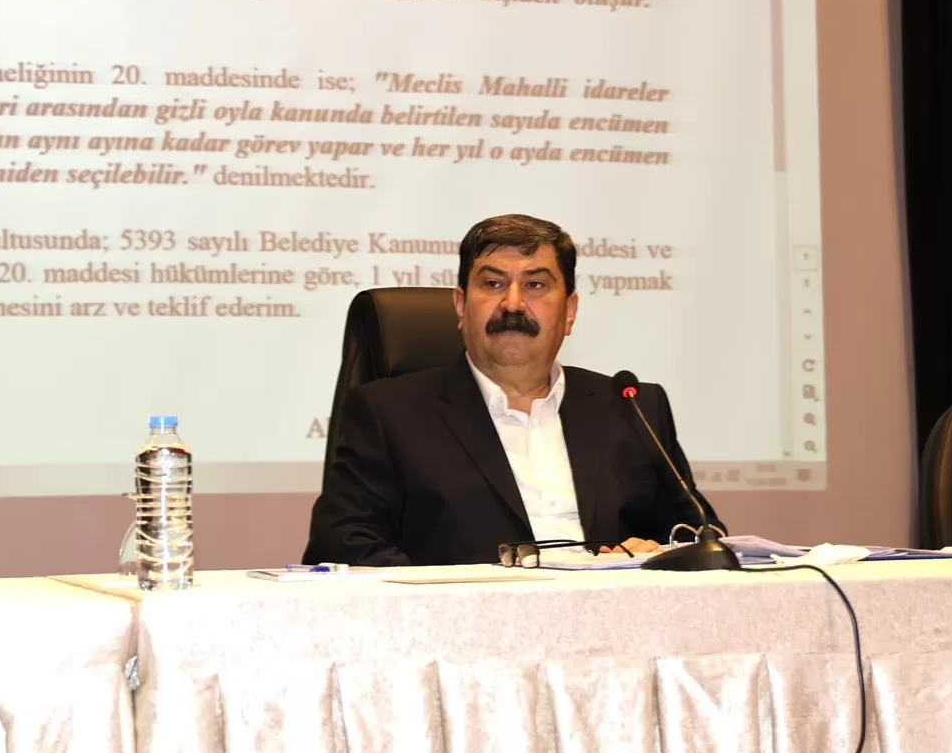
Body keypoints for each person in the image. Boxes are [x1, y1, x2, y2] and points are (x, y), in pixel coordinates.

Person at [304, 213, 715, 566]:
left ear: (570, 311)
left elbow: (703, 538)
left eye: (535, 285)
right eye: (493, 284)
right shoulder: (389, 413)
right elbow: (342, 545)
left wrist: (654, 556)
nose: (513, 304)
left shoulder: (632, 407)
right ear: (461, 306)